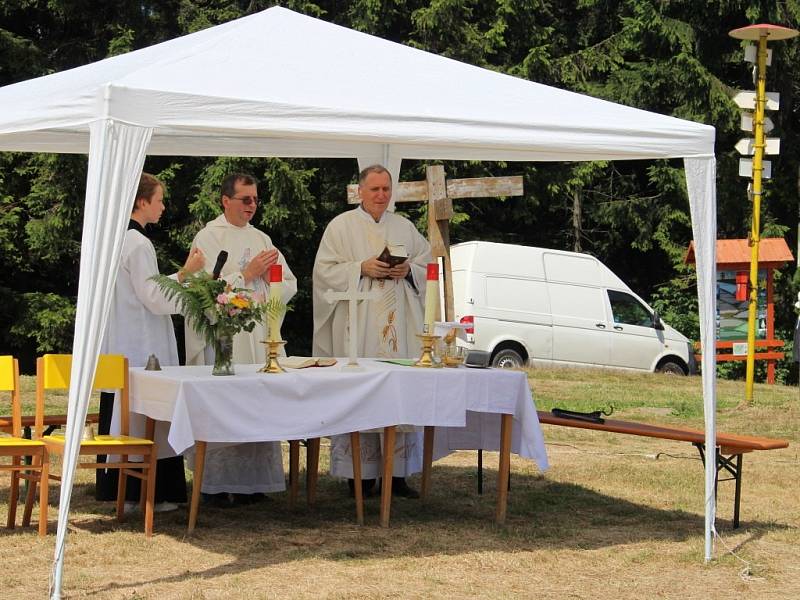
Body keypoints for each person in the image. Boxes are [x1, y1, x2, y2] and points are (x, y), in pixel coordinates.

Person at [312, 164, 433, 498]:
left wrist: (409, 270)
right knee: (363, 392)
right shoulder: (341, 226)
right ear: (360, 191)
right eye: (374, 189)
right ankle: (360, 476)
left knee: (398, 392)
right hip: (360, 324)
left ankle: (397, 476)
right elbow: (323, 273)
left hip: (399, 325)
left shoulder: (404, 226)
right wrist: (360, 268)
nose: (381, 195)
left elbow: (427, 262)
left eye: (386, 189)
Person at [185, 172, 297, 506]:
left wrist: (269, 281)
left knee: (257, 404)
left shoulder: (263, 239)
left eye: (255, 200)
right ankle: (215, 484)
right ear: (225, 201)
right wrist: (246, 275)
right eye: (245, 199)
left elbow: (288, 283)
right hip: (225, 337)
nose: (252, 206)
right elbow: (202, 291)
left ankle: (253, 483)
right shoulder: (208, 238)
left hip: (258, 333)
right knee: (225, 405)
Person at [99, 172, 206, 511]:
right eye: (158, 200)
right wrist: (187, 273)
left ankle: (124, 492)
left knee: (126, 415)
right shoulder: (139, 243)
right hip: (142, 341)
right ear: (142, 202)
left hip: (122, 337)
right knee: (147, 415)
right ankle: (151, 493)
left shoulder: (113, 239)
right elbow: (154, 297)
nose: (162, 206)